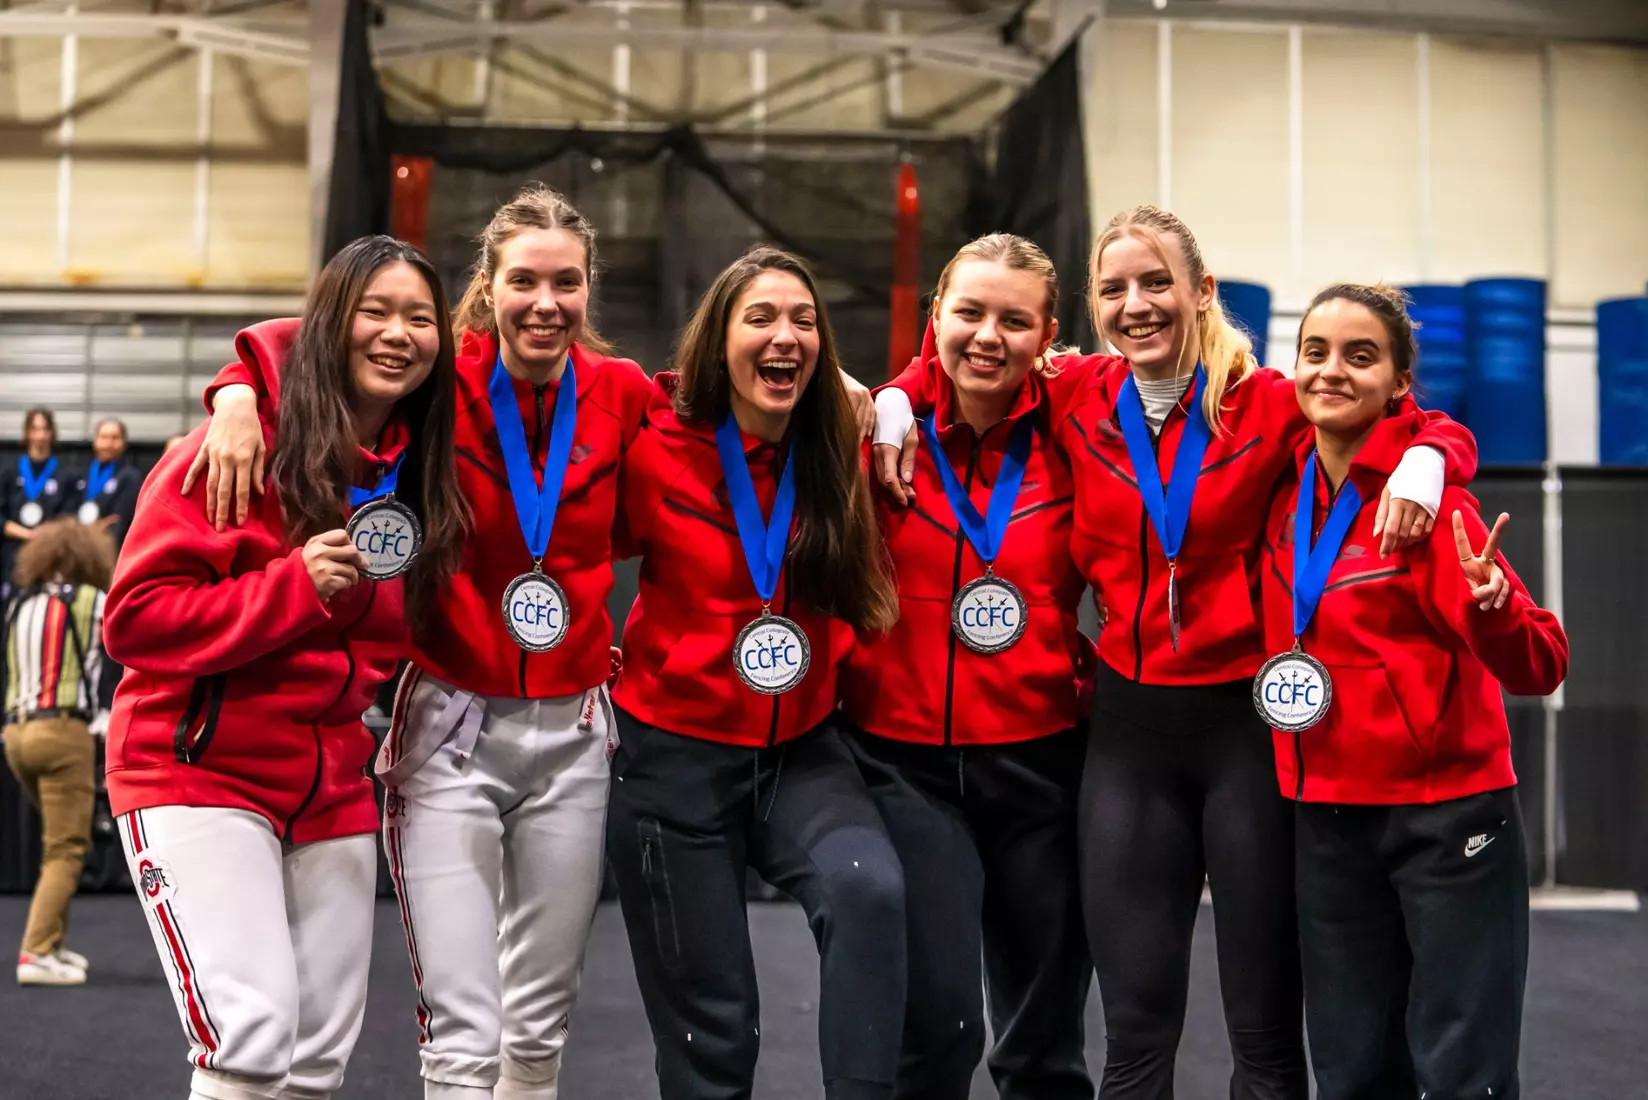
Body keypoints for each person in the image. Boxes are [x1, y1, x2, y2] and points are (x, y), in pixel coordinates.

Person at [874, 205, 1480, 1099]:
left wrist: (1432, 459)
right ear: (1091, 308)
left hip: (1245, 735)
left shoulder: (1270, 402)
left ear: (1202, 292)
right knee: (1136, 1034)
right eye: (1114, 289)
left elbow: (1401, 417)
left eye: (1157, 283)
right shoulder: (1075, 391)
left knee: (1264, 1036)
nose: (1137, 305)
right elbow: (952, 362)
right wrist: (893, 401)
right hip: (1128, 741)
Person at [103, 234, 466, 1100]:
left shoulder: (419, 472)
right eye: (374, 312)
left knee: (316, 1059)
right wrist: (289, 588)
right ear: (331, 325)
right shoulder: (230, 449)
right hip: (196, 772)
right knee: (250, 1036)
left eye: (420, 318)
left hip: (331, 789)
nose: (399, 334)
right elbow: (134, 621)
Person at [608, 245, 906, 1100]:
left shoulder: (839, 445)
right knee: (715, 1029)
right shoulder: (656, 445)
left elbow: (937, 383)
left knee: (871, 894)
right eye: (762, 318)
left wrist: (892, 402)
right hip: (673, 762)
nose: (786, 336)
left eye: (804, 322)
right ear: (719, 338)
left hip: (800, 752)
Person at [1257, 284, 1567, 1100]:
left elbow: (1542, 664)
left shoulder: (1428, 507)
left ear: (1399, 382)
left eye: (1360, 356)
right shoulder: (1279, 489)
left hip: (1447, 818)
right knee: (1351, 1069)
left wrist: (1495, 609)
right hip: (1325, 817)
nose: (1331, 371)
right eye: (1315, 351)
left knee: (1464, 1069)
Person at [839, 234, 1094, 1099]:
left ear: (1047, 335)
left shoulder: (1079, 428)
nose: (988, 336)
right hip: (904, 764)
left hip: (1042, 764)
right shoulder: (876, 432)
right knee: (938, 1030)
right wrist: (890, 395)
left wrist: (1436, 451)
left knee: (1044, 1049)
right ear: (935, 316)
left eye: (1014, 321)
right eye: (970, 313)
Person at [3, 519, 117, 986]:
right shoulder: (94, 602)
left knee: (56, 842)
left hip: (15, 734)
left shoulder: (18, 604)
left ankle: (53, 942)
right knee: (67, 846)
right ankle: (35, 952)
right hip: (64, 732)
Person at [2, 408, 70, 599]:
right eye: (35, 429)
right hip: (13, 554)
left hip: (49, 554)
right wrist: (27, 534)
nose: (40, 436)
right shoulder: (8, 471)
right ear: (27, 433)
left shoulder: (65, 474)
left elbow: (67, 516)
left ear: (52, 433)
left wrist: (43, 536)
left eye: (45, 429)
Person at [72, 417, 143, 550]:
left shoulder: (130, 477)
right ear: (95, 441)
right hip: (77, 545)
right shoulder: (80, 472)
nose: (109, 443)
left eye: (115, 438)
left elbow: (121, 520)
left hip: (110, 548)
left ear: (123, 442)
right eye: (104, 437)